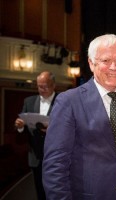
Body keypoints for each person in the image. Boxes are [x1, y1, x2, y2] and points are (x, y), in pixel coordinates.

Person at [42, 34, 116, 200]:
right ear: (91, 63)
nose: (114, 67)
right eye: (106, 60)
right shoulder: (69, 101)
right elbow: (55, 165)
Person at [14, 71, 57, 200]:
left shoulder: (63, 100)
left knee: (56, 190)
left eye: (45, 86)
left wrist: (54, 129)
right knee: (39, 190)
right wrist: (20, 126)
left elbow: (72, 125)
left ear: (53, 85)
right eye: (39, 86)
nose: (42, 89)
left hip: (56, 156)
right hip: (35, 156)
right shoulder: (29, 101)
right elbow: (21, 124)